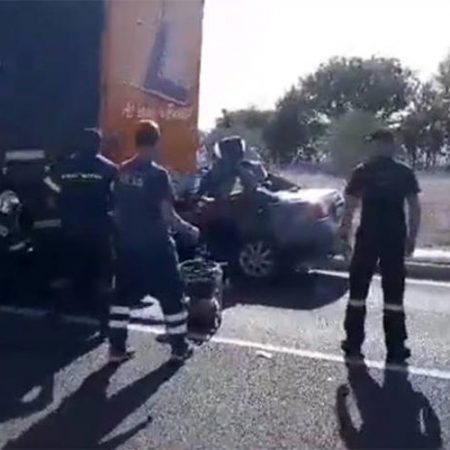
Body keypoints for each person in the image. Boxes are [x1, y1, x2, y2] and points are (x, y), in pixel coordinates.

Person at [109, 120, 199, 363]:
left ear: (136, 141)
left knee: (121, 298)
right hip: (156, 246)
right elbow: (167, 215)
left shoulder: (121, 171)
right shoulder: (158, 175)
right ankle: (179, 348)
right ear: (156, 142)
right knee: (172, 296)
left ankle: (116, 349)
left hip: (128, 246)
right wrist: (189, 230)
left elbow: (115, 211)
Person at [340, 128, 422, 363]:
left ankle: (353, 343)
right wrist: (412, 237)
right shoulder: (403, 172)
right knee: (393, 294)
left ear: (378, 145)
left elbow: (350, 206)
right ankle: (395, 347)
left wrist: (344, 234)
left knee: (359, 292)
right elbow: (414, 208)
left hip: (369, 238)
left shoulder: (363, 171)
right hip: (393, 238)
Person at [43, 128, 117, 336]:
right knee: (102, 276)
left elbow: (49, 194)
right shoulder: (110, 169)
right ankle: (104, 322)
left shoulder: (64, 167)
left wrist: (63, 207)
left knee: (67, 271)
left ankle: (57, 312)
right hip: (100, 230)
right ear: (98, 145)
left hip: (71, 228)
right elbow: (116, 200)